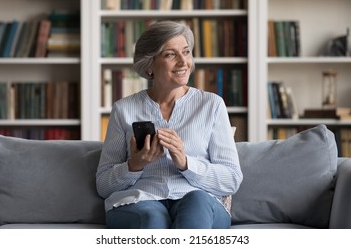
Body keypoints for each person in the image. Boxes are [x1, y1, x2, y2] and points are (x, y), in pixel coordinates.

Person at [96, 20, 243, 229]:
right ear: (149, 65)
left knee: (196, 202)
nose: (183, 62)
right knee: (152, 217)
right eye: (170, 55)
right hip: (141, 200)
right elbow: (103, 185)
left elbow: (231, 180)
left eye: (186, 52)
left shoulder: (212, 105)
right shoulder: (124, 109)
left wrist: (186, 163)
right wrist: (134, 165)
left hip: (199, 202)